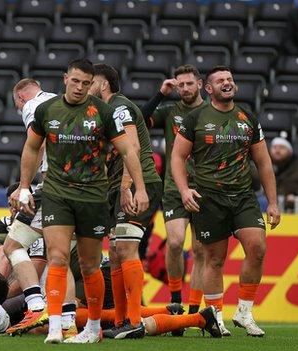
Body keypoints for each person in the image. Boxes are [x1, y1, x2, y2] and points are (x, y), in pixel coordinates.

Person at [11, 58, 149, 344]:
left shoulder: (104, 112)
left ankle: (93, 327)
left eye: (86, 83)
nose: (80, 87)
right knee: (57, 255)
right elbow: (31, 147)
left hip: (92, 197)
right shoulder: (46, 110)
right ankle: (54, 326)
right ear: (65, 79)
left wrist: (140, 189)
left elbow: (128, 151)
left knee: (89, 265)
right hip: (57, 194)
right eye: (75, 81)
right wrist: (24, 187)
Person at [171, 66, 281, 337]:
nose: (227, 83)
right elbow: (177, 158)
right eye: (220, 80)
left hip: (243, 196)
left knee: (257, 247)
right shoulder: (195, 118)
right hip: (209, 197)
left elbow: (264, 162)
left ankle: (244, 312)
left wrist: (273, 202)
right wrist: (185, 190)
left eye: (230, 79)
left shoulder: (248, 118)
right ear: (208, 88)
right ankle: (215, 315)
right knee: (215, 259)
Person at [87, 64, 163, 339]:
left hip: (136, 185)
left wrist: (128, 188)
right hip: (119, 189)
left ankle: (134, 320)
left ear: (103, 84)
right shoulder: (104, 112)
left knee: (127, 248)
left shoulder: (120, 107)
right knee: (117, 252)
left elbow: (134, 148)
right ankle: (121, 320)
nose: (86, 86)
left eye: (90, 81)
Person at [142, 64, 209, 335]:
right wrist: (160, 94)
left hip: (205, 189)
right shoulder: (171, 112)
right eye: (180, 85)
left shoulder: (212, 113)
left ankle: (193, 311)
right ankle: (175, 301)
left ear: (201, 84)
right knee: (175, 244)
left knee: (202, 251)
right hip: (174, 188)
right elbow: (139, 119)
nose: (184, 89)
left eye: (189, 84)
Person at [3, 79, 56, 334]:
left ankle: (36, 306)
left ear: (21, 98)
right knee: (62, 256)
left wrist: (24, 187)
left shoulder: (33, 106)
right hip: (87, 188)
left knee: (12, 245)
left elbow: (37, 145)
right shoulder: (61, 101)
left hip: (53, 185)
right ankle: (64, 321)